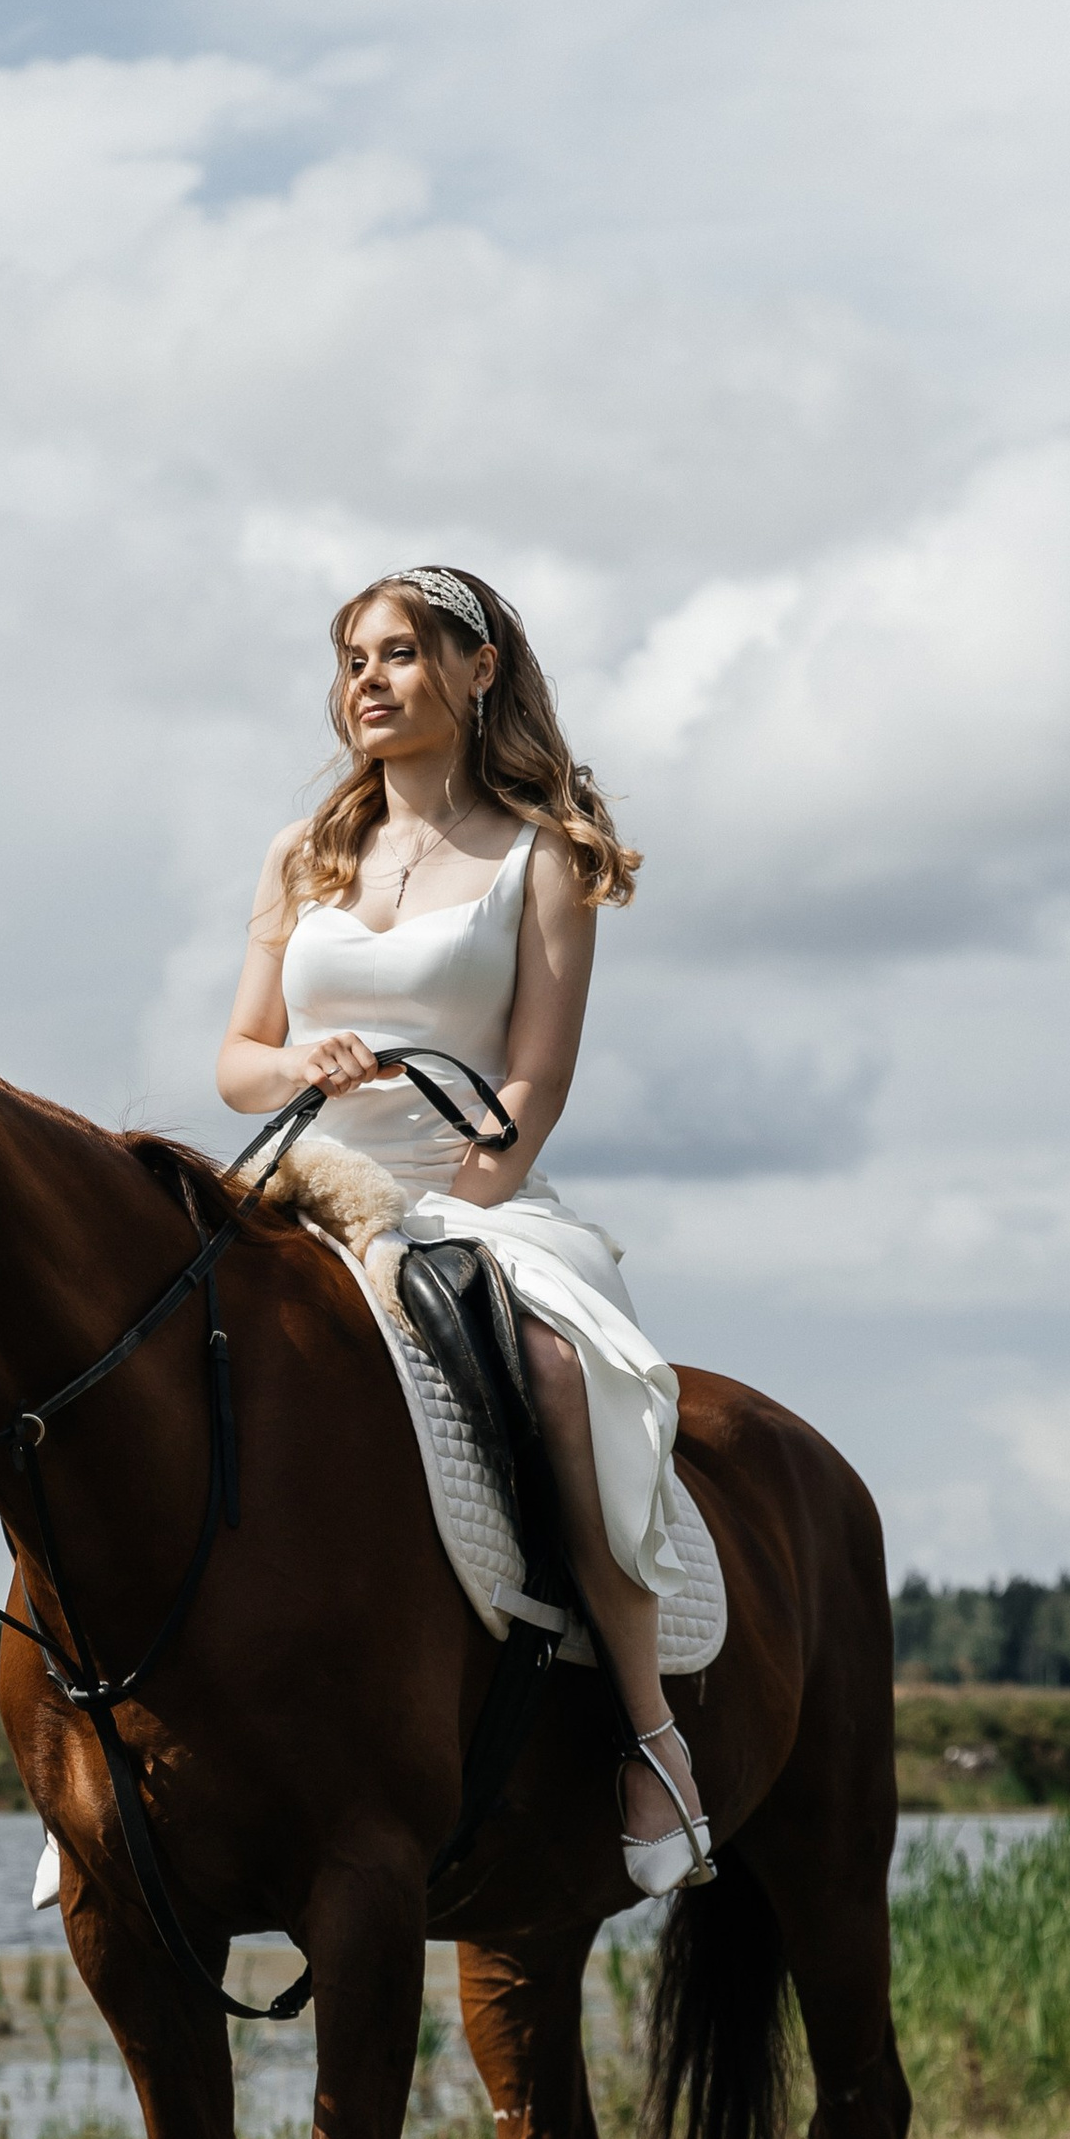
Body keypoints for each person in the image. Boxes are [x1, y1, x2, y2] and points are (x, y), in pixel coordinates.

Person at [215, 564, 712, 1896]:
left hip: (470, 1201)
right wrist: (297, 1069)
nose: (365, 682)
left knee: (557, 1374)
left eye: (399, 654)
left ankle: (650, 1736)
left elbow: (535, 1084)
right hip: (298, 1185)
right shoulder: (300, 854)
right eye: (353, 659)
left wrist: (451, 1214)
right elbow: (236, 1061)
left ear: (478, 670)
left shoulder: (539, 856)